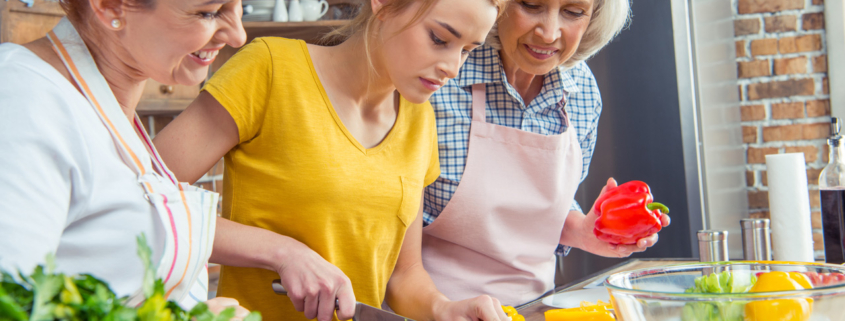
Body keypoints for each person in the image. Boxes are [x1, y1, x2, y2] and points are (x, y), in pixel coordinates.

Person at [151, 0, 509, 320]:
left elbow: (404, 276)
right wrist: (282, 252)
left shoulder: (421, 120)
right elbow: (142, 198)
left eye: (466, 50)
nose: (452, 67)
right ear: (383, 5)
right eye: (439, 38)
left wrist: (444, 309)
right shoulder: (271, 68)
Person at [0, 0, 250, 316]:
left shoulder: (107, 109)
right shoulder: (23, 100)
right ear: (111, 7)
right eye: (208, 12)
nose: (238, 35)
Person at [421, 0, 672, 305]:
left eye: (573, 11)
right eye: (531, 4)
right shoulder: (438, 79)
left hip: (537, 307)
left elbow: (535, 212)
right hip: (431, 308)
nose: (549, 33)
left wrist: (583, 231)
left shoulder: (582, 91)